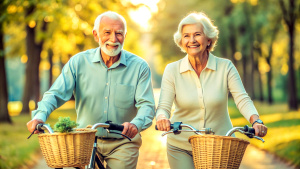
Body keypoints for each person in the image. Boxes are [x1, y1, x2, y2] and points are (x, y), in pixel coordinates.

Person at [26, 11, 155, 169]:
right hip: (85, 141)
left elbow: (147, 106)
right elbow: (55, 94)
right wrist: (40, 116)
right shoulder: (78, 62)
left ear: (125, 35)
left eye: (119, 33)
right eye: (107, 32)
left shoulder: (139, 67)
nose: (113, 39)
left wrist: (136, 124)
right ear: (96, 35)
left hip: (124, 142)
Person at [155, 12, 268, 169]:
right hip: (181, 145)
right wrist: (162, 118)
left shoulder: (225, 67)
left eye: (197, 34)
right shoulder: (172, 70)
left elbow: (242, 98)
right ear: (181, 41)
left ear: (208, 39)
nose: (192, 40)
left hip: (219, 146)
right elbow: (164, 106)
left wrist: (256, 121)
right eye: (186, 36)